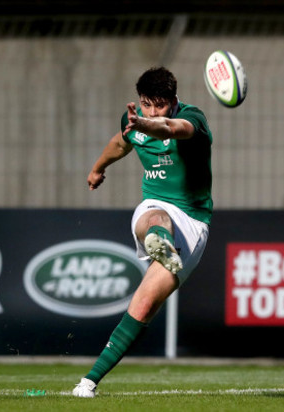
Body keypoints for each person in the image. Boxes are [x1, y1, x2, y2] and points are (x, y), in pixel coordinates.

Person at [73, 67, 213, 398]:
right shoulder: (132, 120)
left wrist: (147, 123)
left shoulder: (193, 118)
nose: (152, 111)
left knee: (146, 304)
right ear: (139, 100)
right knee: (156, 218)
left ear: (174, 101)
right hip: (154, 206)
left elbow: (171, 128)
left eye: (160, 105)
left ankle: (90, 380)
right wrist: (97, 168)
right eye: (147, 105)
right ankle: (86, 385)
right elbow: (120, 143)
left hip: (193, 221)